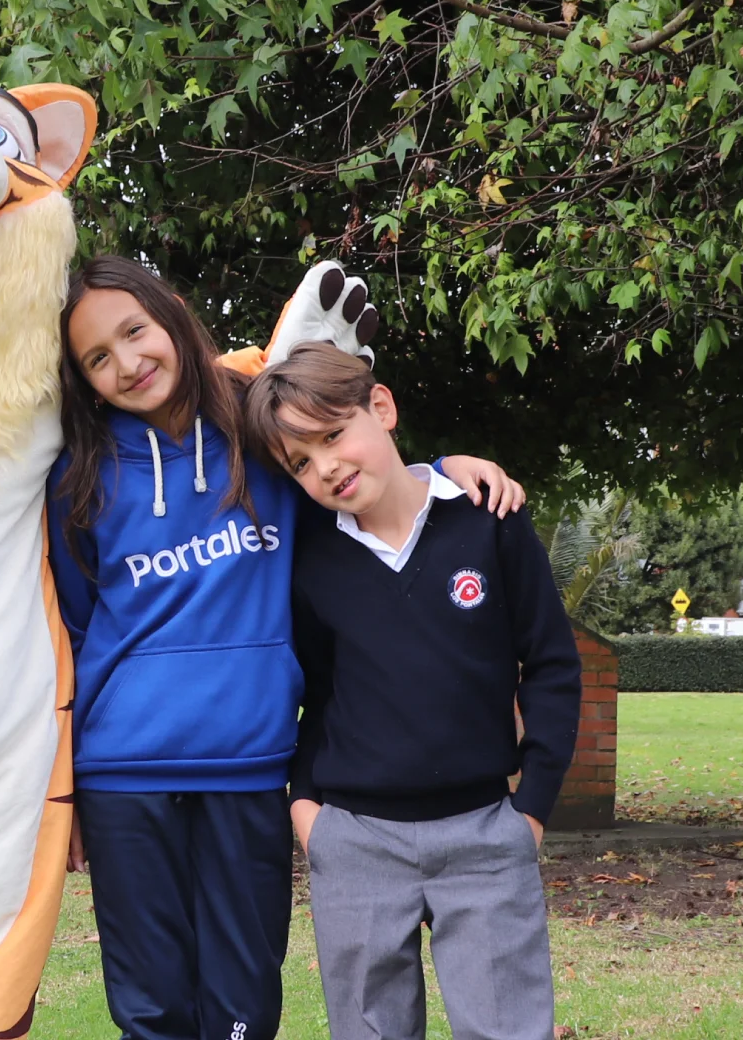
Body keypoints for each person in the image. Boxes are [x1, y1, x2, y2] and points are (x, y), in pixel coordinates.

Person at [47, 257, 523, 1040]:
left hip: (249, 767)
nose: (127, 363)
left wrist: (436, 472)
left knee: (244, 1008)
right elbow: (69, 631)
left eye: (134, 331)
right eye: (97, 357)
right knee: (151, 1006)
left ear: (170, 314)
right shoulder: (78, 475)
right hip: (123, 777)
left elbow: (349, 473)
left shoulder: (259, 434)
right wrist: (61, 786)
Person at [242, 344, 581, 1040]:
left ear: (382, 408)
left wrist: (533, 811)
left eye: (332, 435)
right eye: (300, 462)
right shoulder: (310, 559)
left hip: (487, 832)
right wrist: (308, 807)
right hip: (356, 839)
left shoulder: (490, 519)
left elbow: (550, 663)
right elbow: (317, 690)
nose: (326, 466)